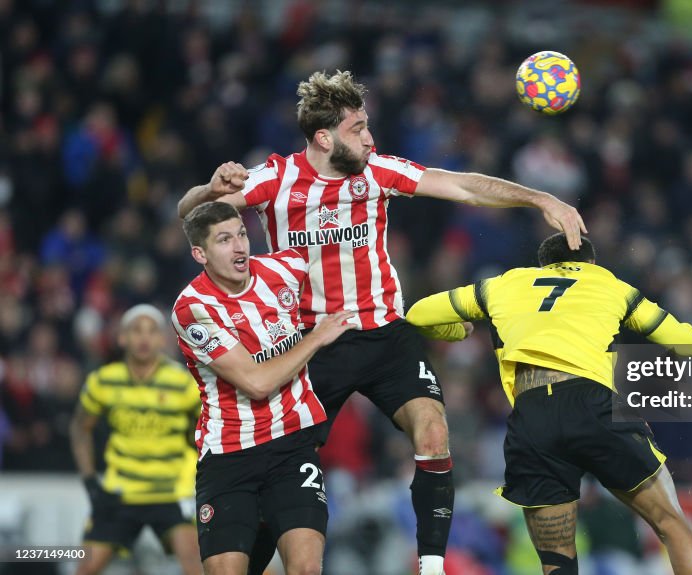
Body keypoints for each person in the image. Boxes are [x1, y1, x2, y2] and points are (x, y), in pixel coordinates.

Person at [176, 69, 587, 575]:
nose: (370, 138)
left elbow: (463, 186)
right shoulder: (275, 180)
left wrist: (541, 198)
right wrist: (206, 189)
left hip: (385, 332)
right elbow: (190, 214)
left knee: (433, 430)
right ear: (324, 137)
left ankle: (432, 565)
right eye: (358, 128)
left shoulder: (377, 172)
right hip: (313, 342)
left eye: (368, 126)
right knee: (280, 468)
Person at [405, 233, 692, 575]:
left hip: (532, 416)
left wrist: (456, 332)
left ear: (543, 266)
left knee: (557, 560)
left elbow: (419, 314)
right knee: (670, 523)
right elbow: (686, 344)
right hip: (592, 404)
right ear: (591, 263)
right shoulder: (609, 285)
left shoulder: (506, 284)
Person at [171, 201, 355, 575]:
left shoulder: (284, 268)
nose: (239, 246)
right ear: (199, 253)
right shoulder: (192, 308)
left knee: (305, 568)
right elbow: (256, 382)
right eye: (224, 240)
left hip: (291, 447)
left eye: (241, 234)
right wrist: (316, 337)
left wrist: (425, 321)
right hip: (229, 457)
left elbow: (358, 281)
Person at [70, 304, 203, 575]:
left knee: (197, 567)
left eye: (152, 331)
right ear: (122, 338)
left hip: (174, 490)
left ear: (163, 339)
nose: (144, 338)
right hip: (121, 489)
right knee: (85, 569)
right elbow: (79, 428)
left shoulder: (184, 382)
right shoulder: (104, 381)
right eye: (136, 330)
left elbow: (208, 429)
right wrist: (89, 481)